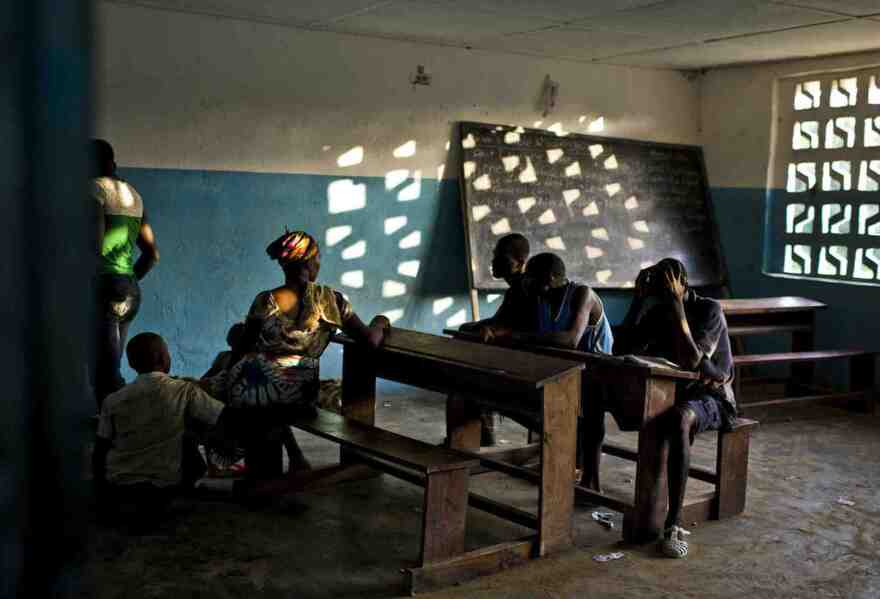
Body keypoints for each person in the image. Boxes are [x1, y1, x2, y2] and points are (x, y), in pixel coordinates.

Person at [203, 229, 390, 479]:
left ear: (284, 264)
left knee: (227, 390)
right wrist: (380, 322)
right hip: (300, 393)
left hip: (255, 388)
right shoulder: (328, 299)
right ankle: (278, 468)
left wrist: (229, 380)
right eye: (318, 258)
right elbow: (370, 340)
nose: (319, 263)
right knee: (269, 396)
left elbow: (241, 349)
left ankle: (244, 464)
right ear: (310, 261)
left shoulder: (265, 300)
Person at [611, 258, 737, 559]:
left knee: (678, 418)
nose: (661, 295)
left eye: (667, 288)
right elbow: (621, 347)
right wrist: (636, 302)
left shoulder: (709, 310)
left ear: (682, 285)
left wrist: (677, 306)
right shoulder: (656, 311)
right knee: (650, 411)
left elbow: (695, 361)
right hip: (673, 392)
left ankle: (674, 522)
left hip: (713, 397)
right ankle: (648, 511)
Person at [471, 253, 614, 473]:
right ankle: (562, 447)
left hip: (597, 374)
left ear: (550, 278)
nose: (526, 282)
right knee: (505, 396)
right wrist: (494, 331)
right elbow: (530, 332)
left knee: (581, 417)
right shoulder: (543, 299)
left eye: (531, 277)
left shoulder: (582, 294)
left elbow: (571, 339)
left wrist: (514, 337)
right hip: (568, 371)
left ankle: (577, 460)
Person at [92, 333, 229, 529]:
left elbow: (100, 450)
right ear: (163, 359)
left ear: (131, 364)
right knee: (187, 436)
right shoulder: (184, 390)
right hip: (163, 487)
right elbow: (221, 417)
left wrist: (101, 495)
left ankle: (132, 507)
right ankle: (172, 498)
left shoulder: (112, 400)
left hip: (119, 487)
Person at [92, 139, 160, 409]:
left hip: (103, 286)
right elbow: (152, 255)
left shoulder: (94, 189)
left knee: (104, 371)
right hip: (128, 289)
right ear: (114, 163)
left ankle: (117, 429)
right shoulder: (134, 195)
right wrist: (128, 281)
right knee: (110, 364)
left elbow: (94, 246)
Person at [459, 233, 531, 445]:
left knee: (467, 380)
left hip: (521, 360)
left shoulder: (524, 288)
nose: (493, 261)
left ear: (520, 262)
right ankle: (483, 433)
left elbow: (512, 327)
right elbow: (500, 320)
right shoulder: (516, 288)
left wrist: (479, 328)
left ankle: (480, 435)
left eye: (501, 256)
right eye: (494, 255)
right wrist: (475, 326)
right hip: (513, 353)